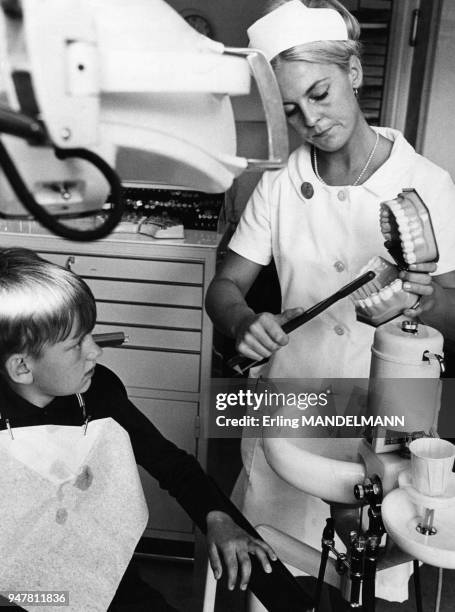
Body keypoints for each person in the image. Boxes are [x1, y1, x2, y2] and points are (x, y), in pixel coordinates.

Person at [205, 0, 455, 605]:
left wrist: (418, 305)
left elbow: (452, 309)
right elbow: (225, 287)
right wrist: (240, 321)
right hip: (296, 397)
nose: (310, 119)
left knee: (370, 579)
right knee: (276, 570)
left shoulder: (427, 184)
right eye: (291, 109)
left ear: (355, 74)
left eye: (319, 93)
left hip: (390, 411)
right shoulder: (279, 186)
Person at [0, 247, 286, 612]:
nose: (95, 352)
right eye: (75, 346)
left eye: (91, 334)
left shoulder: (100, 391)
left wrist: (218, 518)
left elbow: (173, 464)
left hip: (103, 577)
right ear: (22, 367)